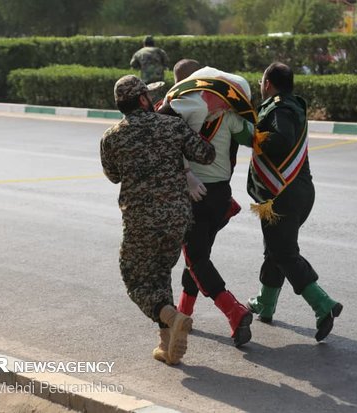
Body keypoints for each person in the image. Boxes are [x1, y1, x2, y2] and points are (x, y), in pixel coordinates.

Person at [100, 74, 215, 365]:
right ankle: (167, 345)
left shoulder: (112, 137)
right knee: (160, 274)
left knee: (134, 278)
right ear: (142, 99)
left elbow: (113, 176)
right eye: (148, 96)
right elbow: (206, 154)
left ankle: (171, 316)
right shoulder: (173, 125)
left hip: (141, 220)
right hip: (177, 218)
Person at [158, 59, 256, 347]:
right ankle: (184, 311)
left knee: (197, 260)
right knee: (198, 257)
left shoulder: (175, 115)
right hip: (220, 197)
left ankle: (235, 312)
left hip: (194, 196)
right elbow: (253, 137)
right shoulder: (229, 114)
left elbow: (165, 147)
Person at [246, 62, 343, 342]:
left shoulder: (280, 108)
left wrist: (252, 135)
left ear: (267, 84)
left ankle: (322, 304)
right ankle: (265, 302)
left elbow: (281, 139)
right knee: (275, 248)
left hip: (283, 194)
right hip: (296, 191)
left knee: (284, 252)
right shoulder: (292, 104)